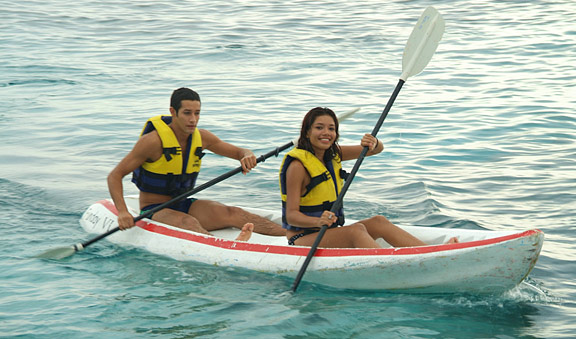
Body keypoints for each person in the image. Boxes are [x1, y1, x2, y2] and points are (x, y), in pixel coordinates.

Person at [107, 87, 286, 241]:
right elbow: (115, 176)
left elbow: (239, 152)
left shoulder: (202, 138)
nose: (193, 119)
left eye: (197, 113)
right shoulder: (152, 142)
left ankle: (290, 236)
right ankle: (224, 248)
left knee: (234, 213)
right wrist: (123, 212)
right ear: (173, 112)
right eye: (187, 113)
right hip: (155, 209)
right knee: (189, 222)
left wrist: (247, 155)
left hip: (185, 204)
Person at [279, 107, 458, 248]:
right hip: (303, 238)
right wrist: (317, 221)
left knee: (378, 222)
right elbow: (291, 216)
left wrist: (373, 142)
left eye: (331, 128)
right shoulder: (298, 167)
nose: (326, 133)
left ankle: (426, 252)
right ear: (307, 132)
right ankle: (393, 265)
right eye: (319, 127)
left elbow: (377, 150)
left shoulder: (333, 154)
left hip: (328, 232)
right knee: (355, 231)